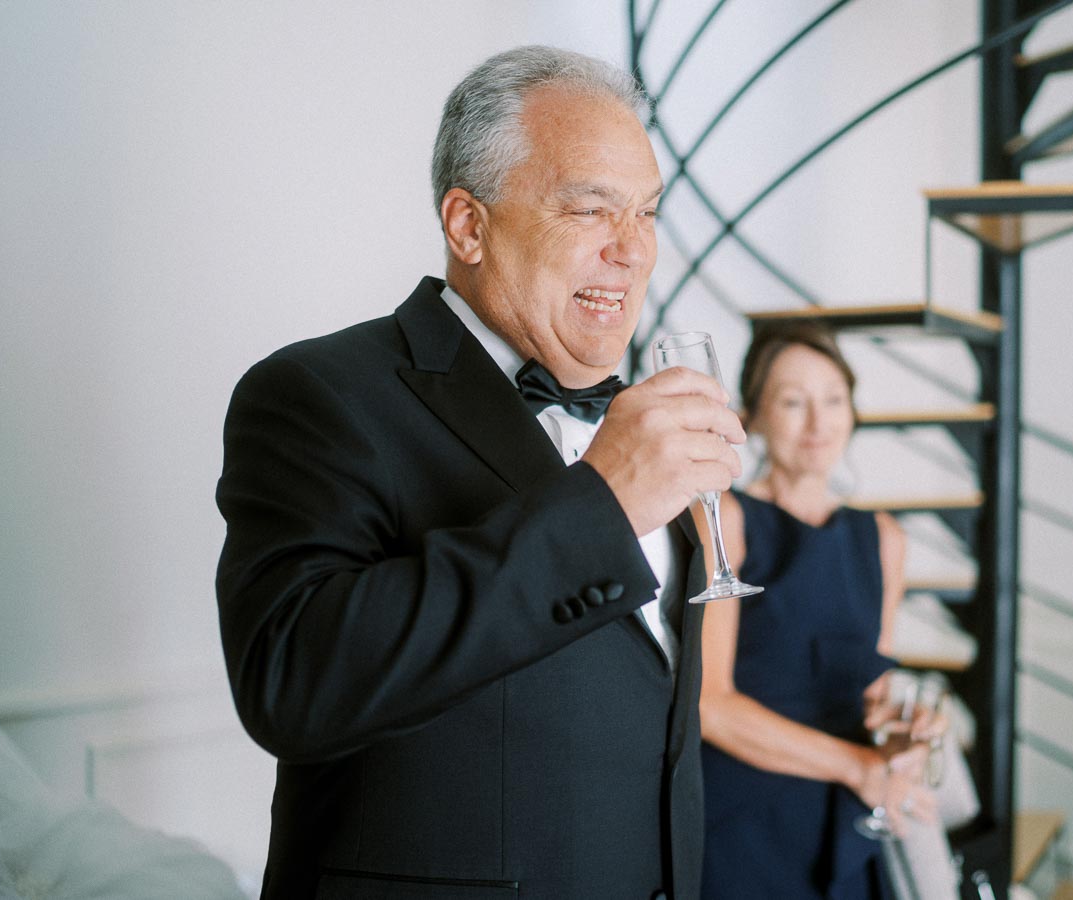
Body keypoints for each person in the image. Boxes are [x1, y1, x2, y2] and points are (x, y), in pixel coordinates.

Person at [215, 46, 745, 900]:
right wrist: (601, 507)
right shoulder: (315, 394)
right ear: (468, 224)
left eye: (646, 212)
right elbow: (291, 684)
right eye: (589, 209)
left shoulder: (640, 416)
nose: (634, 251)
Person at [697, 322, 945, 899]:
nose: (818, 423)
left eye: (834, 400)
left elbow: (872, 687)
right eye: (792, 401)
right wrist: (857, 766)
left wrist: (912, 726)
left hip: (850, 815)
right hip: (746, 817)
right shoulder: (725, 521)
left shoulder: (883, 538)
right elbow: (712, 705)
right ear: (753, 416)